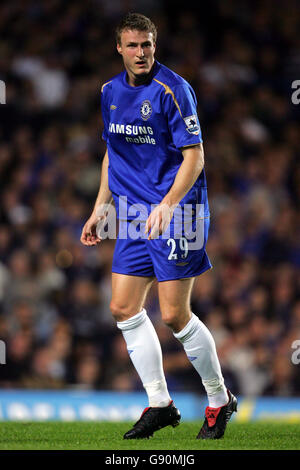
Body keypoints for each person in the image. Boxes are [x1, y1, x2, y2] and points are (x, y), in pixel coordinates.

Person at [81, 12, 237, 440]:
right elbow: (112, 153)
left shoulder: (174, 90)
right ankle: (160, 404)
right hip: (132, 213)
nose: (141, 53)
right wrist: (101, 207)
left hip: (178, 211)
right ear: (119, 48)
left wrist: (169, 204)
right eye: (132, 45)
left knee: (173, 314)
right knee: (123, 308)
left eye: (147, 44)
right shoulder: (109, 92)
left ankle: (220, 400)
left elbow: (196, 157)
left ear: (155, 45)